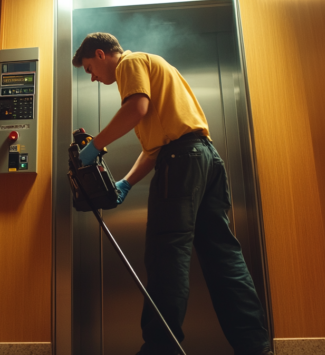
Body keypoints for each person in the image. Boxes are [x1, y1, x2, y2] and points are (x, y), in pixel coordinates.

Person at [73, 32, 273, 355]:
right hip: (205, 159)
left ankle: (159, 348)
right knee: (224, 258)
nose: (93, 78)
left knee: (166, 256)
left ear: (101, 54)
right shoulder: (157, 69)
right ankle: (255, 347)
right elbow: (155, 149)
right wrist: (126, 183)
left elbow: (137, 108)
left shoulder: (130, 63)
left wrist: (95, 146)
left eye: (89, 69)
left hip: (181, 162)